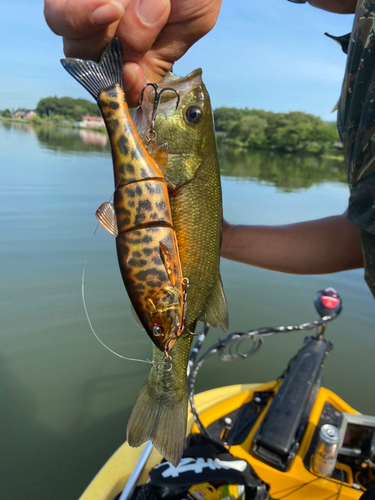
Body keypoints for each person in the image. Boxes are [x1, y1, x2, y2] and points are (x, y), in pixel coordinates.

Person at [44, 0, 375, 496]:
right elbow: (364, 235)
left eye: (192, 114)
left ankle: (167, 383)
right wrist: (214, 238)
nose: (188, 102)